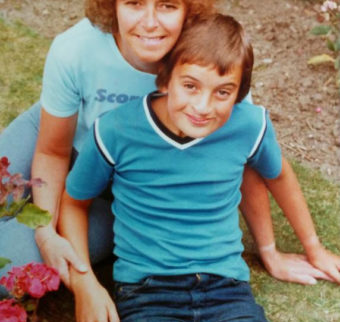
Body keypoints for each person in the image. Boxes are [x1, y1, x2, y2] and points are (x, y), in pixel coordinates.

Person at [0, 0, 337, 293]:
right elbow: (52, 151)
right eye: (133, 3)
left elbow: (240, 156)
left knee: (8, 271)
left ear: (188, 8)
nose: (150, 22)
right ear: (112, 5)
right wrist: (45, 231)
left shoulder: (205, 59)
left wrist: (272, 251)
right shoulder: (75, 50)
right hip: (62, 137)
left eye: (167, 5)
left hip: (119, 185)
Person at [59, 13, 339, 322]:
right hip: (147, 293)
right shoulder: (115, 130)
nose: (203, 106)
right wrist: (85, 281)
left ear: (239, 94)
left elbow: (279, 177)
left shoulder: (248, 125)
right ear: (165, 80)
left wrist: (313, 246)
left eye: (223, 92)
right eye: (190, 86)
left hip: (228, 291)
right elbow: (74, 203)